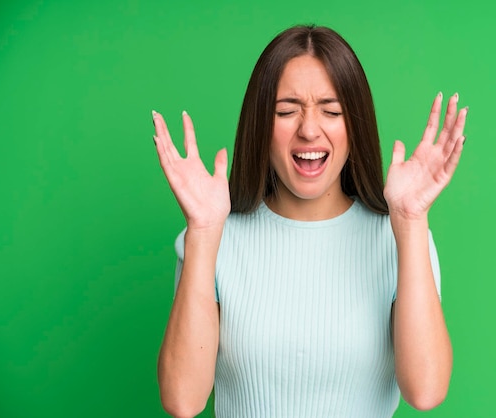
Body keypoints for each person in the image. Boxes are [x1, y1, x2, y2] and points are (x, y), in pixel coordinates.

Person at [153, 25, 467, 418]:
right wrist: (202, 232)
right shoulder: (213, 235)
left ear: (355, 125)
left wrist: (411, 221)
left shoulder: (400, 236)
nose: (309, 129)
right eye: (286, 111)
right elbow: (183, 400)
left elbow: (426, 390)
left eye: (331, 111)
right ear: (260, 125)